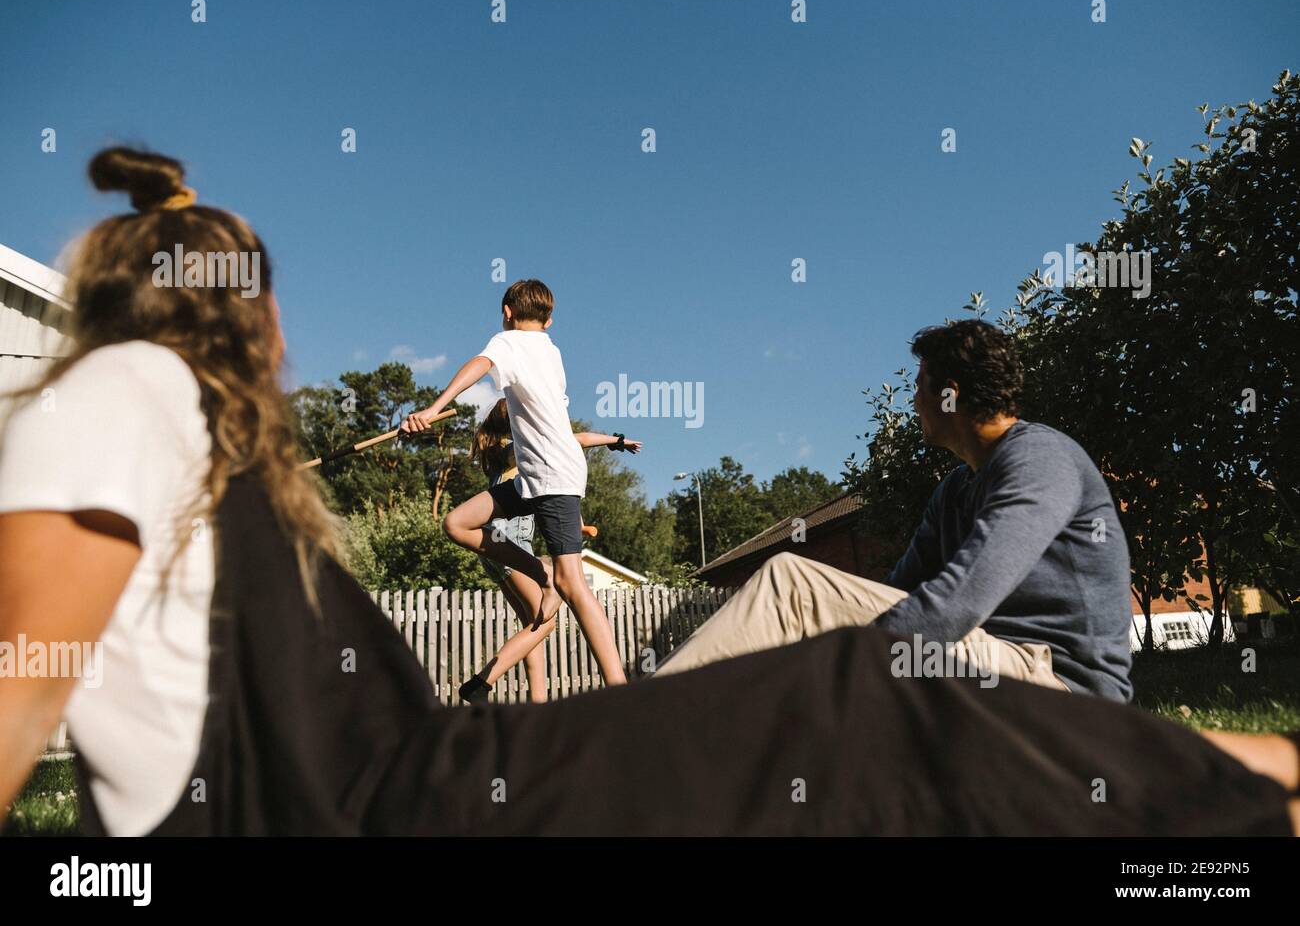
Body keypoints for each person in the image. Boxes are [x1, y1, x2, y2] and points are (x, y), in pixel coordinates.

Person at [2, 147, 1296, 837]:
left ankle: (1250, 781)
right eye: (269, 298)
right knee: (869, 701)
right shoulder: (136, 398)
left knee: (876, 698)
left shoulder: (209, 456)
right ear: (238, 312)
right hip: (431, 807)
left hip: (448, 787)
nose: (286, 332)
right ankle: (1255, 789)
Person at [657, 320, 1134, 703]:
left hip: (1061, 688)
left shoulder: (1038, 458)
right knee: (804, 613)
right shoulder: (954, 491)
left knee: (792, 585)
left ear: (949, 393)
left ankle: (633, 725)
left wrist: (840, 665)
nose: (914, 402)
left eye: (919, 387)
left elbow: (962, 600)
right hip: (989, 663)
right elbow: (892, 595)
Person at [400, 279, 629, 705]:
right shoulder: (549, 347)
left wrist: (433, 409)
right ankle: (538, 573)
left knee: (572, 583)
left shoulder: (509, 341)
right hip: (533, 476)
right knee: (458, 523)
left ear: (507, 310)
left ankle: (619, 691)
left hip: (553, 474)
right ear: (550, 318)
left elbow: (479, 364)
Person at [467, 398, 641, 702]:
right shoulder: (518, 449)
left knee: (532, 624)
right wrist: (617, 440)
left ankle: (538, 702)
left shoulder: (495, 456)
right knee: (545, 622)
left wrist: (580, 523)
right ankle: (482, 682)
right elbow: (579, 441)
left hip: (491, 548)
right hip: (512, 544)